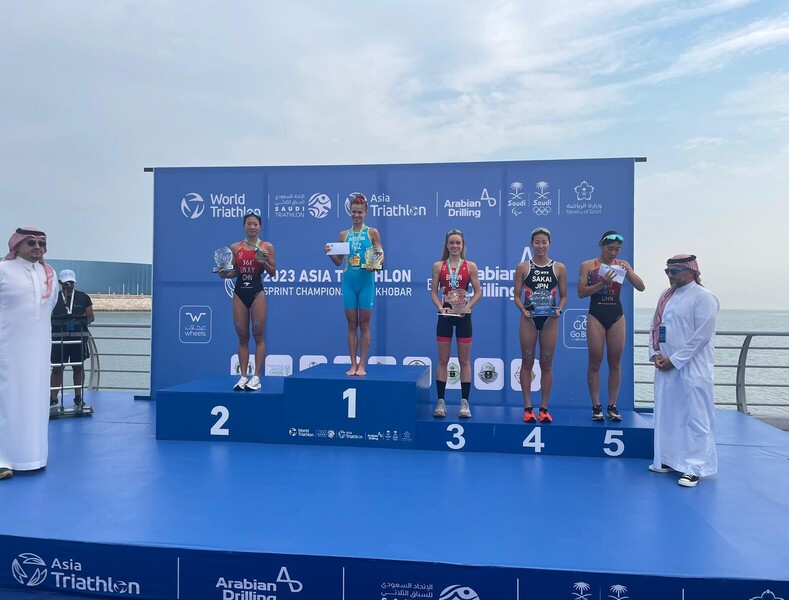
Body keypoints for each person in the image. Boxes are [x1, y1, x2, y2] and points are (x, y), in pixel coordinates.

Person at [648, 254, 719, 487]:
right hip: (666, 367)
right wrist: (655, 354)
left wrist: (675, 360)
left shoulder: (704, 297)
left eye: (674, 271)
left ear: (691, 272)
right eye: (667, 271)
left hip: (692, 369)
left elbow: (701, 337)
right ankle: (669, 460)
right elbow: (654, 327)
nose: (670, 276)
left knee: (695, 418)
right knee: (668, 415)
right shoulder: (666, 296)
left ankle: (694, 467)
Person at [0, 227, 59, 481]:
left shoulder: (50, 274)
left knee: (34, 401)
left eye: (42, 244)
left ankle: (34, 456)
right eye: (32, 242)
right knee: (7, 401)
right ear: (17, 245)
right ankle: (3, 459)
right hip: (6, 350)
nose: (38, 247)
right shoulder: (3, 270)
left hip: (38, 351)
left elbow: (49, 306)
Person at [577, 231, 645, 421]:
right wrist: (602, 283)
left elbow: (641, 287)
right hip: (596, 315)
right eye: (610, 249)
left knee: (615, 362)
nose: (613, 253)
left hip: (616, 315)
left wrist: (629, 271)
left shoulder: (622, 265)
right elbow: (581, 293)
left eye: (617, 249)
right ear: (601, 245)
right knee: (595, 360)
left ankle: (612, 405)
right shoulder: (588, 265)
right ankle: (596, 405)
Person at [512, 227, 567, 423]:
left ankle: (544, 408)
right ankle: (528, 407)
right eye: (537, 242)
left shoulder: (559, 267)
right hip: (529, 318)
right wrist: (522, 309)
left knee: (546, 364)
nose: (541, 246)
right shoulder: (523, 267)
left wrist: (559, 310)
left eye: (544, 242)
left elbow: (564, 296)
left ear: (549, 244)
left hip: (549, 320)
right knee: (527, 362)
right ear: (532, 244)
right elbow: (517, 296)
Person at [325, 194, 383, 377]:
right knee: (351, 323)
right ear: (350, 212)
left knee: (364, 323)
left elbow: (380, 255)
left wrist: (373, 265)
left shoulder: (372, 232)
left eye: (360, 212)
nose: (357, 215)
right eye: (354, 212)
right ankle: (352, 363)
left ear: (365, 212)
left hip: (366, 281)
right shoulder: (344, 234)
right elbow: (338, 261)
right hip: (349, 281)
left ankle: (362, 364)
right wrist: (329, 253)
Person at [217, 212, 276, 391]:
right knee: (242, 337)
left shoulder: (267, 247)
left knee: (258, 335)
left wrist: (264, 261)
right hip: (240, 292)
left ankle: (256, 377)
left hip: (257, 292)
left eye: (255, 224)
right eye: (249, 224)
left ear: (260, 227)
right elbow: (235, 271)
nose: (252, 227)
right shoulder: (236, 247)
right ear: (244, 226)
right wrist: (223, 273)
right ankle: (243, 376)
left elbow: (273, 272)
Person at [430, 229, 482, 419]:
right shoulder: (438, 266)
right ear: (446, 245)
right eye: (451, 243)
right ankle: (441, 402)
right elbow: (434, 292)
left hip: (463, 317)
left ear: (463, 245)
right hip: (444, 315)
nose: (454, 246)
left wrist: (467, 306)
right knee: (443, 360)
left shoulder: (470, 266)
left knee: (464, 361)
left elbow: (478, 292)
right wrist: (439, 307)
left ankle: (464, 403)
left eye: (458, 243)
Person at [50, 269, 94, 413]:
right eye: (66, 283)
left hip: (78, 338)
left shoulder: (83, 297)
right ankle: (53, 398)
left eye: (71, 283)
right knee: (57, 369)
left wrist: (79, 321)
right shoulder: (54, 298)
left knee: (78, 367)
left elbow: (91, 317)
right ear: (60, 282)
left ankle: (78, 397)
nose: (69, 285)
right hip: (58, 339)